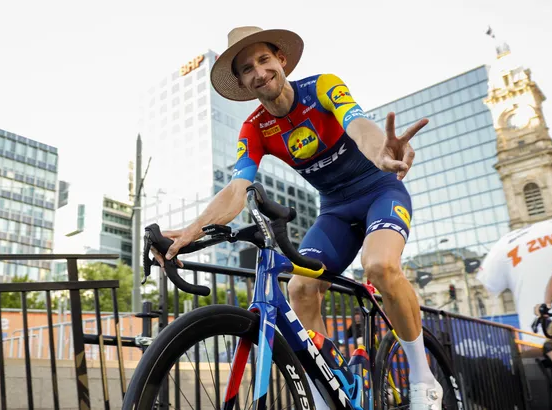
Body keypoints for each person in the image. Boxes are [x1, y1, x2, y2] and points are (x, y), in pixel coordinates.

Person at [151, 26, 442, 407]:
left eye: (264, 60)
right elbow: (237, 190)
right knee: (299, 288)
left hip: (379, 191)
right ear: (242, 82)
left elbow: (358, 126)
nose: (259, 72)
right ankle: (328, 393)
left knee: (380, 266)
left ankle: (423, 379)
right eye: (247, 69)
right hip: (335, 211)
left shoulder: (321, 87)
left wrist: (381, 152)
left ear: (281, 60)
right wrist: (191, 231)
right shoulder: (254, 128)